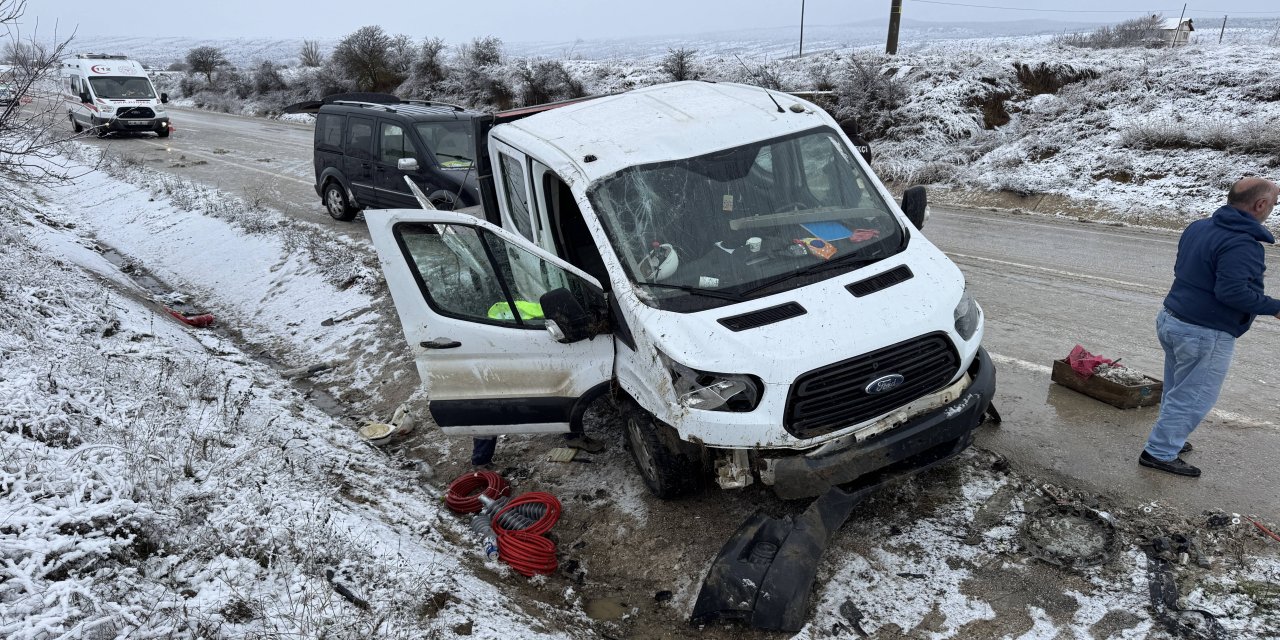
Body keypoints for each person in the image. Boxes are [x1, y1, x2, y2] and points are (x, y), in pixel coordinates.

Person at [1139, 176, 1280, 477]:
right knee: (1193, 396)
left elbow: (1182, 269)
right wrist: (1275, 308)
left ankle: (1169, 438)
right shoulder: (1243, 244)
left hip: (1171, 318)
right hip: (1204, 332)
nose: (1272, 209)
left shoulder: (1199, 227)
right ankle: (1159, 452)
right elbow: (1232, 293)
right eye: (1274, 204)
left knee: (1178, 389)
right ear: (1260, 204)